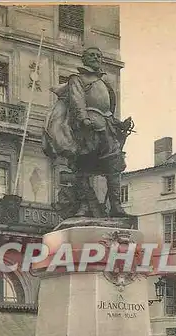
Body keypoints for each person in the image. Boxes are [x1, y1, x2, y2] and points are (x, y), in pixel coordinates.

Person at [42, 46, 134, 219]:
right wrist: (84, 119)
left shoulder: (104, 83)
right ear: (84, 59)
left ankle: (116, 205)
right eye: (91, 55)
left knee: (113, 166)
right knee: (82, 166)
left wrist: (120, 124)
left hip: (107, 126)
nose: (95, 58)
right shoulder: (77, 79)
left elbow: (108, 110)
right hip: (88, 128)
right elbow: (77, 101)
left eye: (98, 55)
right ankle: (84, 205)